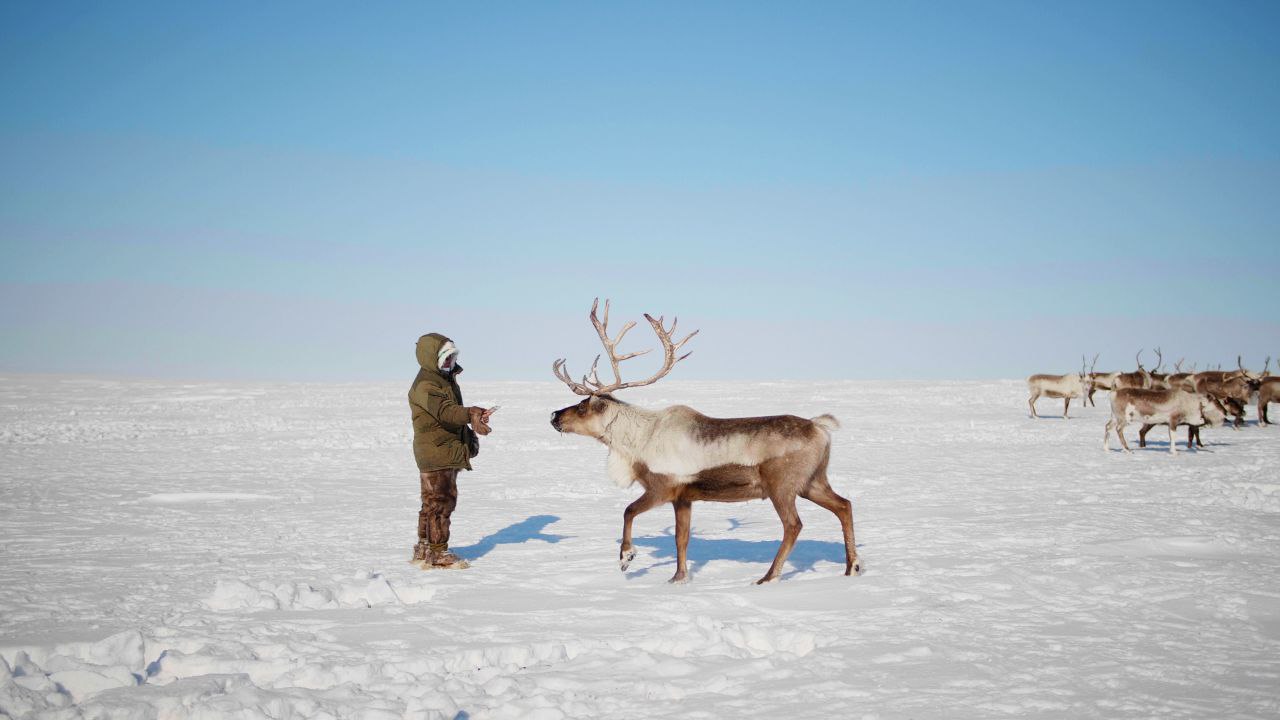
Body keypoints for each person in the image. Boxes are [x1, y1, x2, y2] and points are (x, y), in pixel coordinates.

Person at [408, 333, 494, 569]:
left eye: (452, 357)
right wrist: (469, 414)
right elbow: (446, 412)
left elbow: (450, 410)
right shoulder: (428, 385)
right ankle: (438, 554)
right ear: (430, 358)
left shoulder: (440, 380)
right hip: (438, 451)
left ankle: (424, 549)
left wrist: (471, 415)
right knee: (442, 502)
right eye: (445, 358)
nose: (449, 363)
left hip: (437, 449)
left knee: (431, 502)